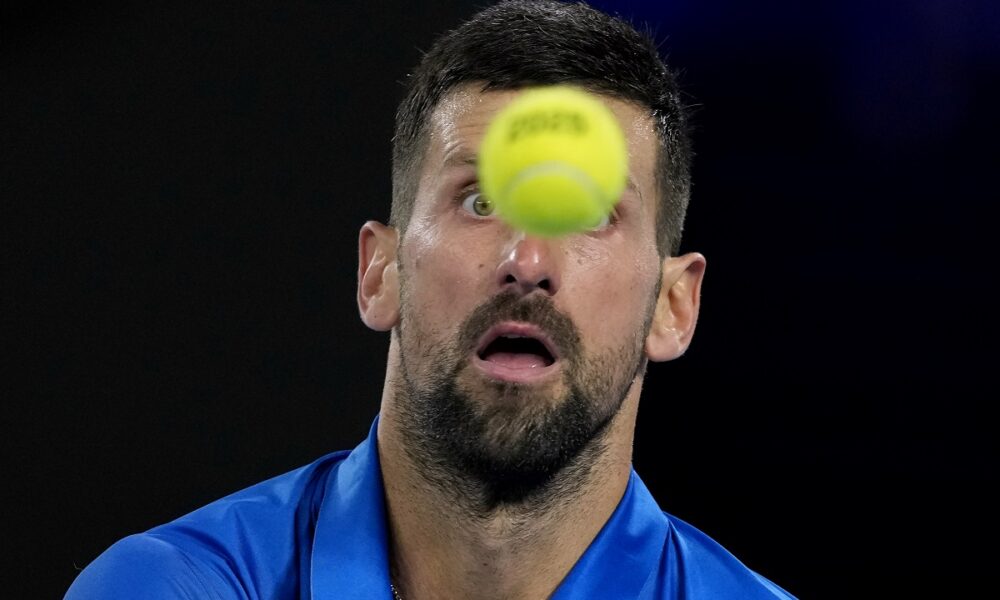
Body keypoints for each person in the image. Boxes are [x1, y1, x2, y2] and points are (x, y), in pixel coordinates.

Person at [65, 1, 796, 598]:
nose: (526, 261)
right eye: (479, 200)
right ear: (380, 271)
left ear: (675, 305)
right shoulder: (167, 587)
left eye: (588, 212)